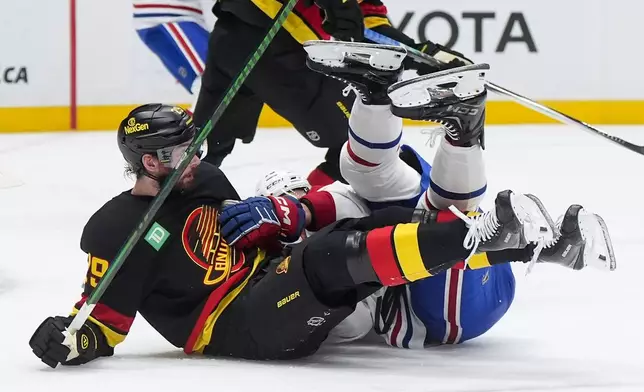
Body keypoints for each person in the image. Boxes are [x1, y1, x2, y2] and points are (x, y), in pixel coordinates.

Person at [28, 103, 559, 368]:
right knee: (331, 256)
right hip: (239, 329)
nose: (194, 158)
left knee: (367, 226)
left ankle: (511, 243)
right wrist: (66, 339)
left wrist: (278, 218)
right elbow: (102, 323)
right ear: (148, 162)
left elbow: (251, 239)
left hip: (267, 280)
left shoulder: (206, 179)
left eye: (195, 145)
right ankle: (483, 240)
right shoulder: (114, 229)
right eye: (178, 153)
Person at [225, 43, 617, 347]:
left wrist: (298, 209)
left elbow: (339, 200)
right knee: (430, 226)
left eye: (298, 191)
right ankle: (465, 137)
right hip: (440, 315)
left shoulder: (323, 205)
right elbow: (355, 320)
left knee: (363, 171)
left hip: (473, 264)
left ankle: (379, 95)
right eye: (284, 199)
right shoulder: (288, 276)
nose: (297, 199)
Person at [191, 0, 474, 186]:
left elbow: (370, 27)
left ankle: (173, 221)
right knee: (360, 144)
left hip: (234, 35)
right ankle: (296, 218)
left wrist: (423, 54)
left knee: (203, 147)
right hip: (277, 45)